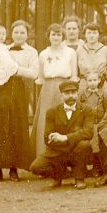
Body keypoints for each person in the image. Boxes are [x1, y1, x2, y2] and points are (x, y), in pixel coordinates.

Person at [0, 23, 37, 182]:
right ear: (11, 34)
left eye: (22, 32)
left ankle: (13, 168)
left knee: (15, 127)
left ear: (27, 34)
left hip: (17, 91)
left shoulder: (31, 52)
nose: (19, 35)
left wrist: (15, 69)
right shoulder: (0, 48)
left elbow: (33, 73)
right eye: (16, 32)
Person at [29, 79, 94, 189]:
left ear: (77, 94)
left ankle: (79, 178)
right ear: (61, 95)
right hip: (58, 151)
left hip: (76, 149)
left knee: (85, 145)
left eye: (73, 93)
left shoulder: (86, 109)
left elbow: (89, 132)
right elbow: (46, 137)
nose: (70, 96)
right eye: (67, 93)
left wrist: (65, 138)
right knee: (35, 168)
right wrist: (55, 139)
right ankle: (59, 174)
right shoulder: (52, 111)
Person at [34, 23, 79, 157]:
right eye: (53, 34)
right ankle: (44, 156)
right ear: (49, 36)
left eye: (59, 35)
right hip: (48, 88)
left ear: (62, 36)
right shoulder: (43, 54)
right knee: (46, 120)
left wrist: (70, 91)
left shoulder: (70, 52)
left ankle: (66, 158)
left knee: (65, 118)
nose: (56, 37)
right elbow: (40, 76)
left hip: (65, 87)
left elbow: (74, 74)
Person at [76, 23, 107, 102]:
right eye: (89, 33)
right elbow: (76, 70)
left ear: (99, 35)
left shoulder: (106, 50)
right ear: (85, 35)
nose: (91, 36)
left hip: (101, 84)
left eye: (94, 33)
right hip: (84, 84)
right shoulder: (79, 50)